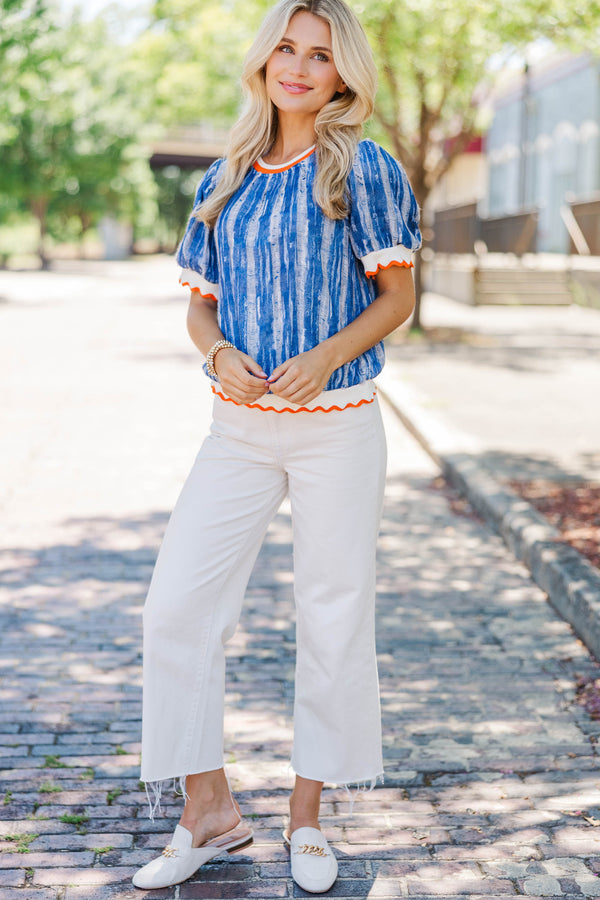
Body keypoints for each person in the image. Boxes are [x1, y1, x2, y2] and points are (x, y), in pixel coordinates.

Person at [132, 0, 421, 892]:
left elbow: (396, 299)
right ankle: (208, 810)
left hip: (337, 427)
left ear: (343, 74)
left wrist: (327, 356)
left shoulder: (361, 169)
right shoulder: (224, 176)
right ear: (264, 61)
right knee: (176, 609)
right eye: (285, 49)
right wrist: (217, 351)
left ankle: (307, 820)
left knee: (332, 618)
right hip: (237, 429)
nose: (298, 66)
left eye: (319, 54)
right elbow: (198, 301)